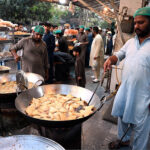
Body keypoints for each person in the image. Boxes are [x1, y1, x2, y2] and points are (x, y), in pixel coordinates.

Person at [104, 7, 150, 150]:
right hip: (125, 90)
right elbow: (119, 54)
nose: (136, 26)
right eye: (135, 23)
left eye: (141, 22)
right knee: (123, 118)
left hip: (143, 96)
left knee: (141, 129)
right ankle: (123, 142)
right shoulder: (130, 42)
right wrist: (111, 60)